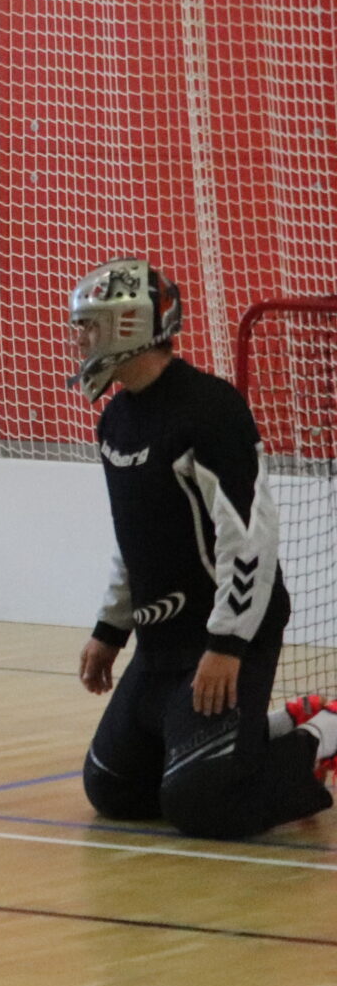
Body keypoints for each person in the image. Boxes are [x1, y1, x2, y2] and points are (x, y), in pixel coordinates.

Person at [68, 256, 337, 840]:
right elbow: (135, 535)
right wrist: (110, 629)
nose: (81, 337)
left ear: (130, 326)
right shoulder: (115, 421)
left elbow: (250, 534)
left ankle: (319, 734)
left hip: (227, 635)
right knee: (114, 789)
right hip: (160, 642)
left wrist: (227, 643)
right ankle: (258, 733)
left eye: (91, 324)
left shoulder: (210, 410)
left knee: (202, 804)